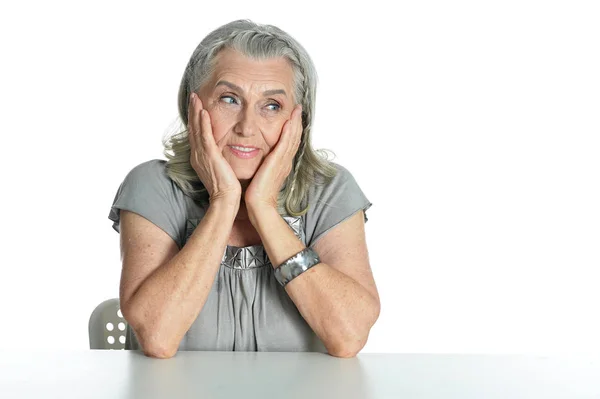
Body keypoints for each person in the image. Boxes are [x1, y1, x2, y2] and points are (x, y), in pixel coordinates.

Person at [108, 19, 380, 359]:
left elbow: (349, 337)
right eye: (229, 99)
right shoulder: (154, 186)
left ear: (298, 121)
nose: (247, 127)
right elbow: (158, 337)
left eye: (271, 106)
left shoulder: (330, 190)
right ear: (193, 108)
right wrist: (224, 201)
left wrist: (263, 208)